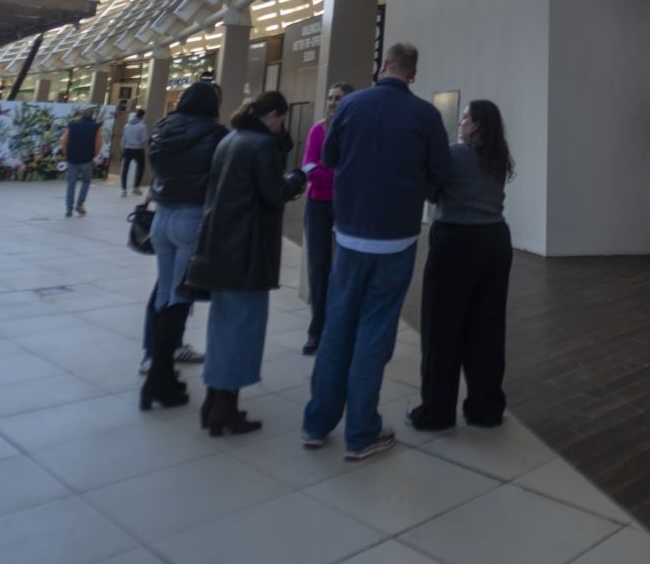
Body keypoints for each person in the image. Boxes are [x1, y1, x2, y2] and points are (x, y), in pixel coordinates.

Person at [301, 43, 452, 462]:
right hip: (397, 238)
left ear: (383, 65)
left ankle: (316, 423)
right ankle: (361, 430)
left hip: (348, 235)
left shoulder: (350, 107)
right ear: (413, 74)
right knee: (374, 331)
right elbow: (440, 173)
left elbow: (330, 157)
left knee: (337, 327)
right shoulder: (426, 116)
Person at [185, 91, 308, 436]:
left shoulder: (230, 140)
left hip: (219, 250)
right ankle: (226, 409)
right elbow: (273, 193)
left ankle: (213, 402)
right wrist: (297, 180)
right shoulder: (261, 146)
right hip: (247, 253)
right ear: (272, 116)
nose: (282, 126)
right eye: (281, 120)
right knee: (243, 331)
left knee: (222, 330)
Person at [408, 99, 514, 432]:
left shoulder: (454, 154)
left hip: (455, 242)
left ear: (478, 124)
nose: (460, 122)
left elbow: (430, 190)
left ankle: (437, 411)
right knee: (487, 328)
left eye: (465, 117)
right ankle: (486, 408)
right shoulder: (499, 158)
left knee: (442, 328)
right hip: (496, 241)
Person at [141, 80, 224, 411]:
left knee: (164, 293)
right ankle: (161, 379)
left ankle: (155, 367)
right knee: (178, 296)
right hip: (191, 217)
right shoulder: (215, 134)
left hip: (162, 216)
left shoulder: (164, 127)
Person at [299, 82, 352, 354]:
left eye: (338, 98)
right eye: (330, 97)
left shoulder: (354, 132)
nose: (332, 102)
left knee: (342, 269)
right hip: (317, 206)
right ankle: (316, 330)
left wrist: (326, 175)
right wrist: (334, 177)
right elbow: (308, 165)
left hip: (345, 207)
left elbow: (352, 169)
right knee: (318, 269)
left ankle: (338, 328)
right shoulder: (317, 130)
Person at [61, 107, 101, 217]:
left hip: (72, 159)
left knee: (71, 184)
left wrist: (67, 154)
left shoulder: (72, 125)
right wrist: (94, 155)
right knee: (86, 181)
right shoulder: (95, 127)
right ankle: (80, 204)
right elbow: (98, 144)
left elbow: (64, 141)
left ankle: (69, 209)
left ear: (81, 115)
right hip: (86, 160)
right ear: (92, 115)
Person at [119, 108, 149, 196]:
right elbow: (144, 140)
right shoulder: (142, 126)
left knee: (125, 170)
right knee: (141, 168)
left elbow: (123, 139)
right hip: (138, 149)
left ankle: (124, 190)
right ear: (143, 116)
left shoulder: (127, 125)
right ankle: (136, 187)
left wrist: (122, 149)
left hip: (127, 149)